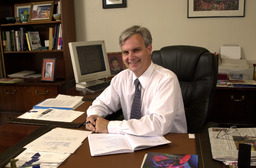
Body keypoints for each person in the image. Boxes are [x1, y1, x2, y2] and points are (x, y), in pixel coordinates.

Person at [86, 25, 187, 136]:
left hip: (170, 142)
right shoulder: (122, 78)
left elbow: (159, 125)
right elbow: (102, 103)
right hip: (134, 140)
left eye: (136, 50)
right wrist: (93, 116)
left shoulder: (166, 79)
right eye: (125, 52)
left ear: (149, 49)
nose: (130, 57)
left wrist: (109, 126)